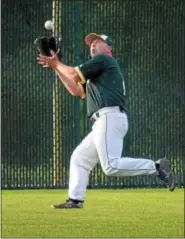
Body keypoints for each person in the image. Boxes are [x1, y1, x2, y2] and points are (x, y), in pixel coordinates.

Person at [37, 33, 175, 209]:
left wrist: (56, 63)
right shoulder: (99, 72)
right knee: (79, 158)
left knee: (110, 166)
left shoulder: (104, 60)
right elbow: (75, 90)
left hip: (109, 116)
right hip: (104, 121)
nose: (92, 45)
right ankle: (75, 199)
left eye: (97, 42)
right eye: (90, 43)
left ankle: (156, 167)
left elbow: (72, 74)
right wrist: (56, 67)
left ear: (109, 48)